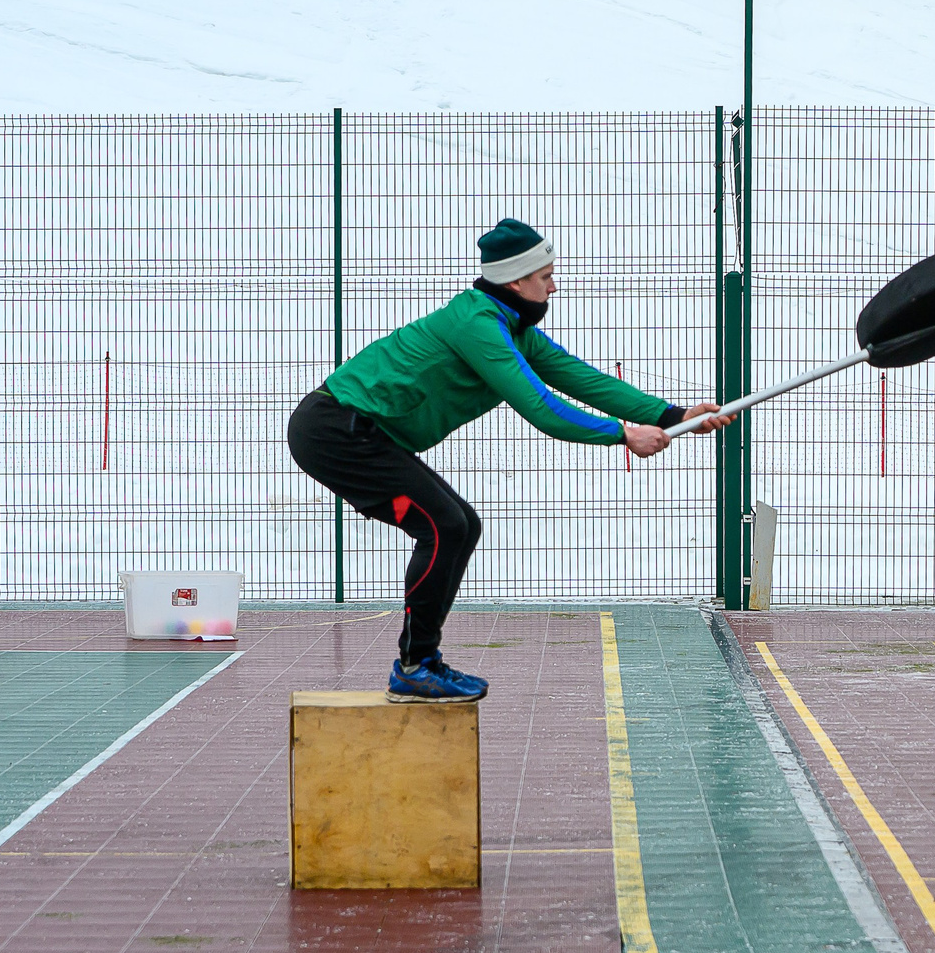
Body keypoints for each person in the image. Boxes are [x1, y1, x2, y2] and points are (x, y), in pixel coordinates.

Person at [287, 219, 728, 700]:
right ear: (517, 281)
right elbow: (541, 407)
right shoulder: (477, 325)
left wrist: (672, 414)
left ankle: (422, 661)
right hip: (337, 430)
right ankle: (415, 667)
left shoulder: (511, 329)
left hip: (368, 433)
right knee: (442, 527)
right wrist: (622, 435)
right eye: (546, 276)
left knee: (460, 526)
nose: (554, 285)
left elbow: (581, 378)